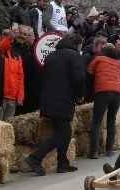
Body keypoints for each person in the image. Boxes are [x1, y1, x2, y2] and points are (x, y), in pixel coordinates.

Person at [25, 34, 85, 175]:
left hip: (48, 98)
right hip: (62, 98)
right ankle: (35, 157)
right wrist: (80, 95)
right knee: (62, 132)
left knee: (65, 131)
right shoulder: (74, 55)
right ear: (78, 45)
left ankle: (62, 162)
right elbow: (79, 77)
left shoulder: (51, 56)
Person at [86, 42, 120, 158]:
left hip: (103, 91)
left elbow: (89, 72)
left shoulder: (98, 59)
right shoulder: (119, 63)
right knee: (111, 121)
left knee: (97, 122)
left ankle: (94, 152)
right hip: (117, 92)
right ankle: (109, 150)